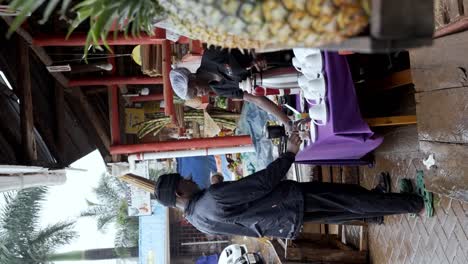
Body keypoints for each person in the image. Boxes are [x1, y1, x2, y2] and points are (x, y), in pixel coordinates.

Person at [152, 133, 425, 239]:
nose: (190, 179)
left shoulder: (198, 218)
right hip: (287, 202)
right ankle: (412, 203)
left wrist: (216, 186)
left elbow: (232, 208)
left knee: (343, 207)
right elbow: (263, 182)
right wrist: (290, 152)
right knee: (347, 199)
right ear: (179, 192)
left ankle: (384, 202)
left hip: (282, 221)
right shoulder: (211, 200)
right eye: (185, 180)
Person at [169, 46, 294, 130]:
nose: (200, 94)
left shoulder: (212, 55)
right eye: (196, 94)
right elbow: (256, 99)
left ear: (191, 77)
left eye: (195, 90)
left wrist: (256, 55)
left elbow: (244, 37)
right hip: (287, 74)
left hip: (278, 48)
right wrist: (286, 122)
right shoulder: (220, 89)